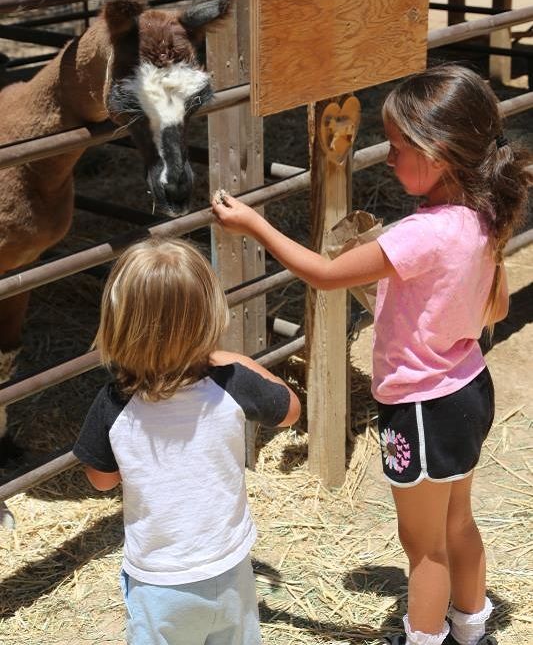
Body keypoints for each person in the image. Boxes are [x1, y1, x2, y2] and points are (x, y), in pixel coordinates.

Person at [211, 64, 531, 645]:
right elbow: (498, 309)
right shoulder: (485, 217)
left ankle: (424, 637)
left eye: (398, 148)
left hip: (420, 406)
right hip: (467, 389)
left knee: (423, 547)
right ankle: (472, 628)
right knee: (458, 522)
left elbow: (326, 274)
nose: (387, 159)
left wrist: (255, 225)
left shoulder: (419, 236)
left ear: (438, 153)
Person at [73, 237, 300, 645]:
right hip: (231, 571)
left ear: (118, 323)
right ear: (209, 315)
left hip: (158, 583)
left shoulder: (113, 403)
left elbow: (101, 479)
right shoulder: (232, 383)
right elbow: (291, 411)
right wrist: (241, 361)